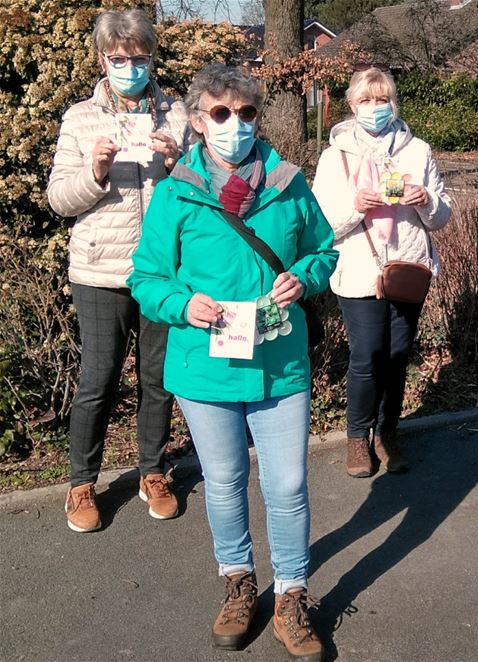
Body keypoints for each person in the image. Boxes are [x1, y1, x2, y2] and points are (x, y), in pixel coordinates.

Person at [128, 63, 337, 659]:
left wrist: (303, 277)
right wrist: (181, 303)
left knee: (289, 484)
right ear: (197, 120)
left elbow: (324, 250)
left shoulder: (290, 183)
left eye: (246, 113)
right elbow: (145, 275)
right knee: (223, 483)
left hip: (280, 364)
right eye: (220, 113)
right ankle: (239, 581)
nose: (235, 124)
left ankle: (293, 592)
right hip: (204, 365)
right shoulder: (176, 192)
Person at [47, 9, 189, 533]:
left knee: (157, 380)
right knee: (98, 380)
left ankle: (153, 470)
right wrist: (95, 171)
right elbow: (59, 199)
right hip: (100, 271)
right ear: (102, 59)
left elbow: (206, 198)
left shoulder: (176, 114)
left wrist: (179, 164)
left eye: (141, 57)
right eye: (120, 58)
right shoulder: (81, 118)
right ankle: (82, 481)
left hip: (163, 273)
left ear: (153, 57)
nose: (131, 67)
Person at [312, 65, 452, 478]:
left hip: (407, 266)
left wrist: (426, 199)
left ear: (394, 103)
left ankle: (388, 432)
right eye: (366, 100)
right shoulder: (334, 156)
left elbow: (441, 217)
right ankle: (358, 435)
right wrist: (357, 206)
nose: (375, 107)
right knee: (367, 354)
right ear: (352, 105)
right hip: (358, 270)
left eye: (383, 99)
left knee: (396, 355)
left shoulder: (418, 151)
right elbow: (321, 224)